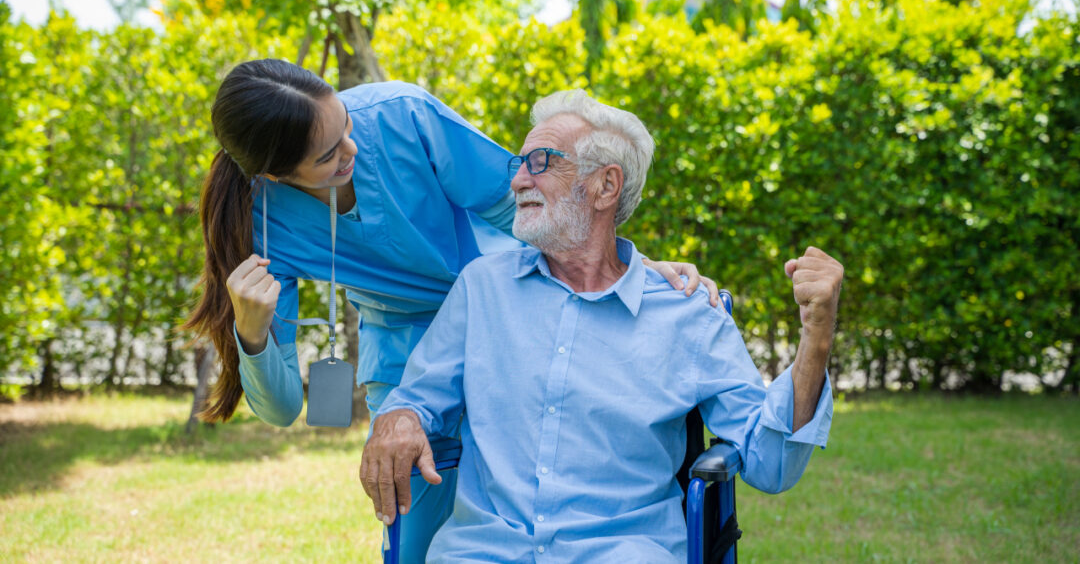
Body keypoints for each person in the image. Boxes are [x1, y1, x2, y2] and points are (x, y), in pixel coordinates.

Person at [183, 60, 719, 562]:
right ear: (277, 176)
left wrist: (629, 265)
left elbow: (524, 199)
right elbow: (278, 410)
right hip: (403, 355)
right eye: (328, 156)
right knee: (418, 541)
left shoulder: (400, 116)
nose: (352, 148)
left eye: (345, 125)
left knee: (547, 502)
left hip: (513, 322)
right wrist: (251, 334)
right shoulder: (259, 223)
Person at [360, 89, 844, 562]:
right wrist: (398, 418)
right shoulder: (481, 288)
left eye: (541, 162)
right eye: (519, 163)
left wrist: (816, 337)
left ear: (605, 187)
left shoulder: (687, 314)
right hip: (483, 551)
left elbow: (768, 459)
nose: (517, 182)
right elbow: (418, 398)